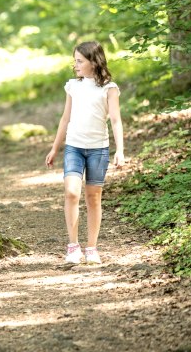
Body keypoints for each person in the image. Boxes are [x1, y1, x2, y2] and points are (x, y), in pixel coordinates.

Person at [45, 41, 125, 265]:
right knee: (71, 193)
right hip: (74, 147)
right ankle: (73, 247)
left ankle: (91, 248)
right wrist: (54, 147)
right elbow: (65, 118)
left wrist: (120, 150)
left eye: (80, 61)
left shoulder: (109, 88)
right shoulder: (73, 86)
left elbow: (116, 120)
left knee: (93, 198)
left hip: (98, 149)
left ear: (93, 61)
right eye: (75, 60)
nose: (76, 65)